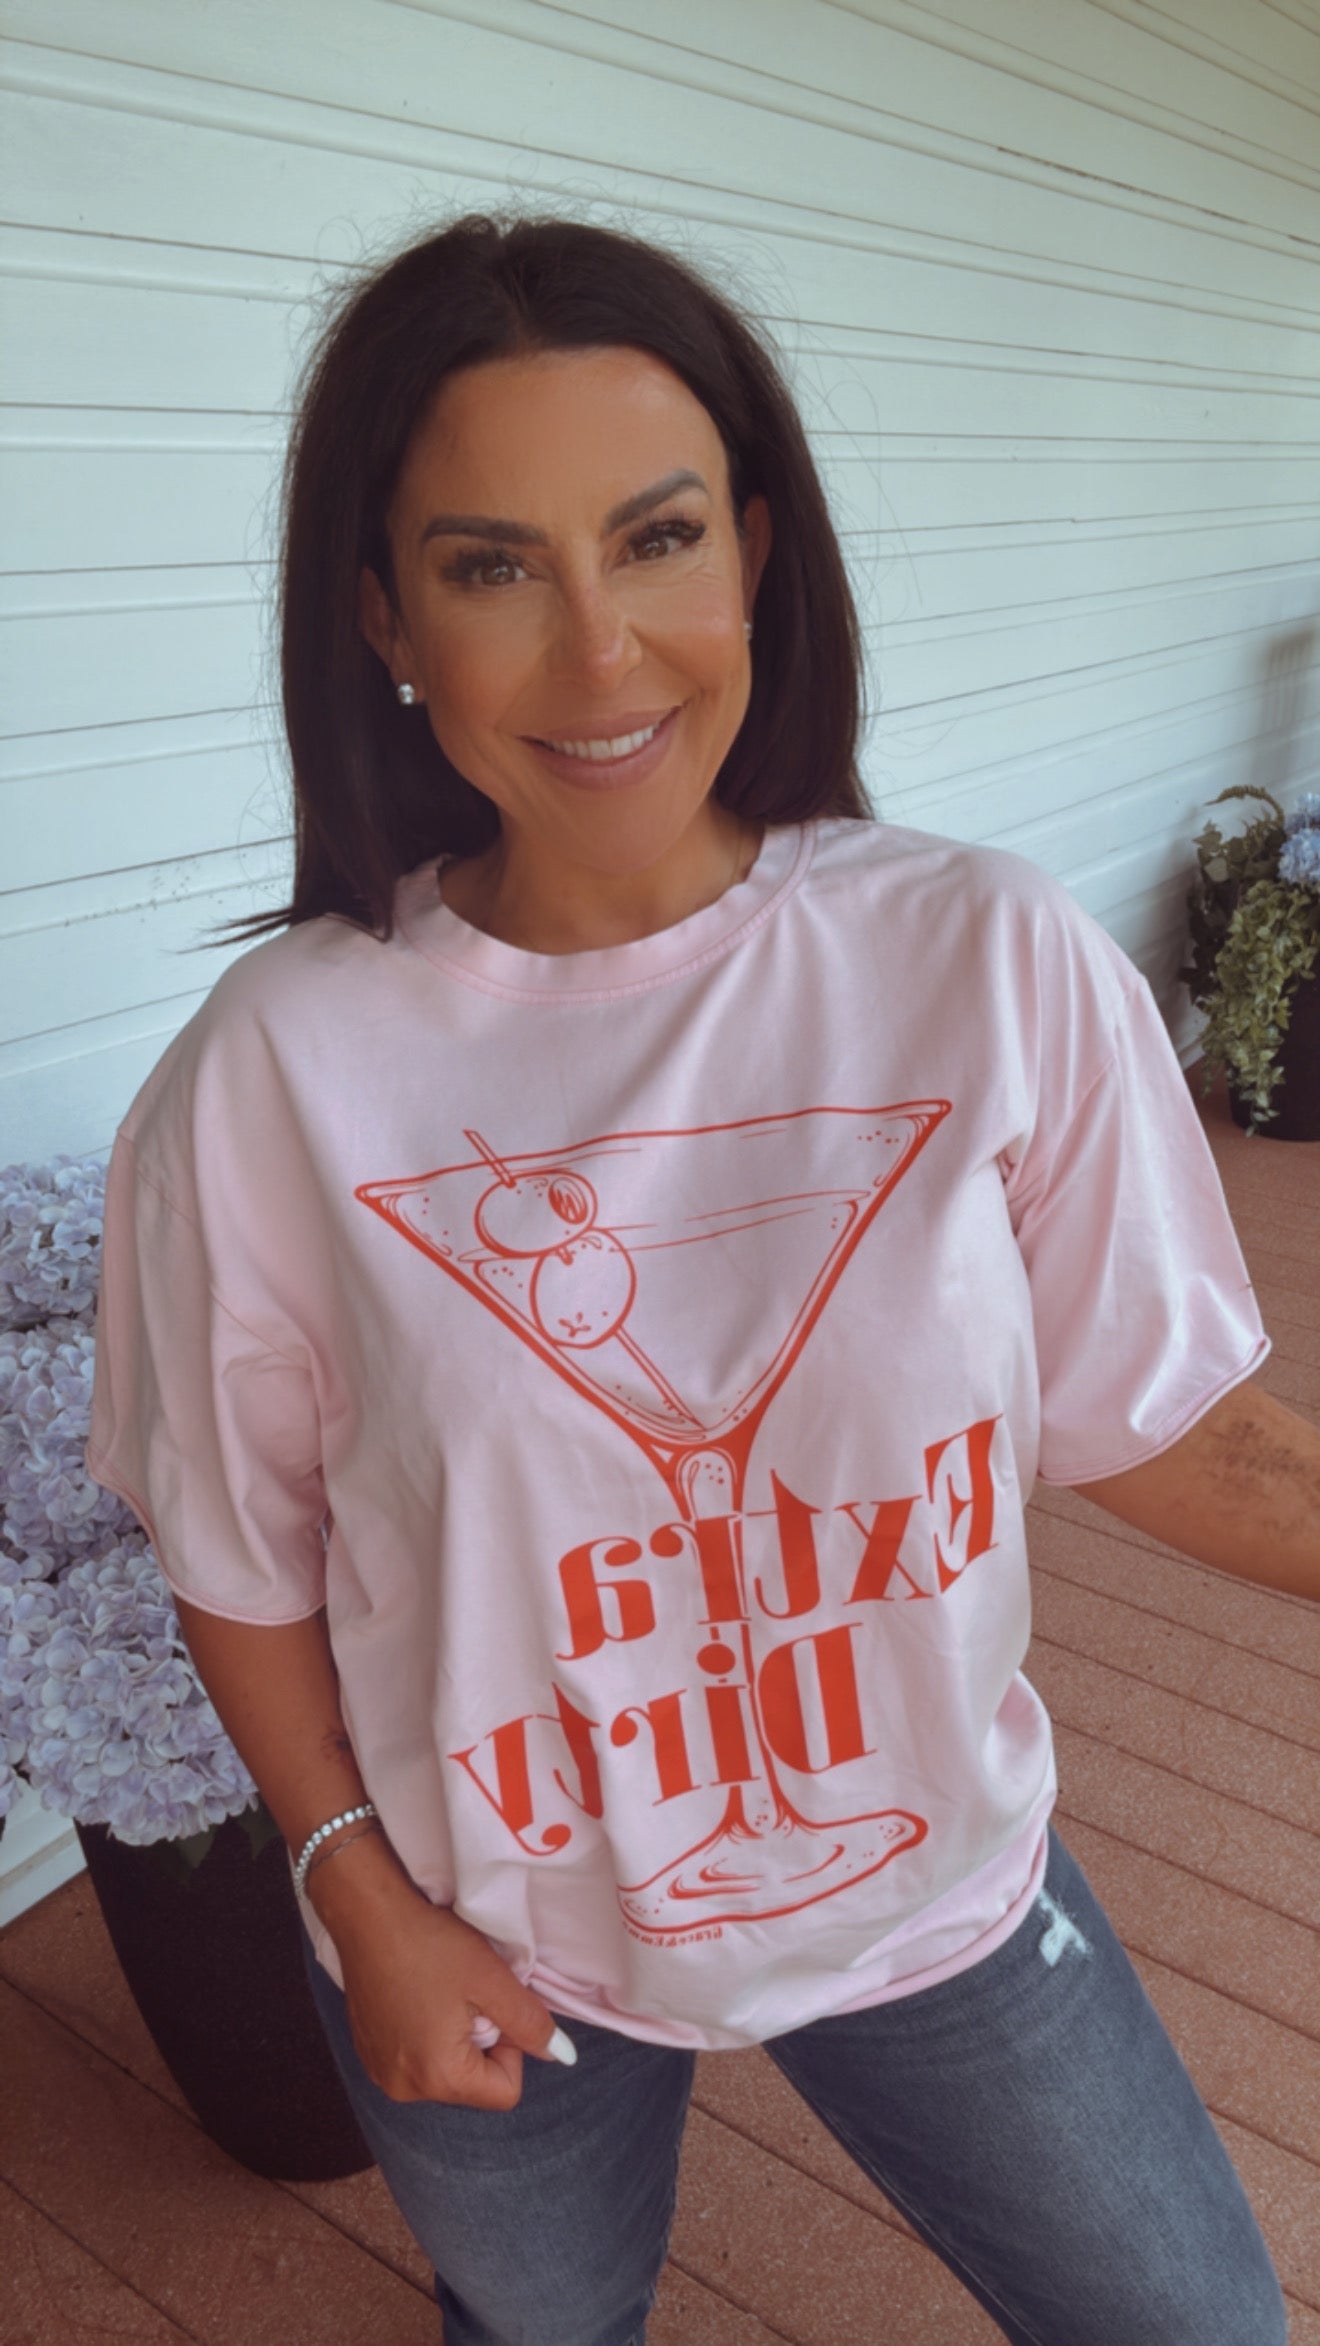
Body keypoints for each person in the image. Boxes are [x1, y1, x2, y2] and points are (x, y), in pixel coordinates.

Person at [85, 214, 1314, 2346]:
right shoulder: (273, 1073)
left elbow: (1175, 1425)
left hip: (932, 1880)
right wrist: (352, 1886)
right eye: (493, 567)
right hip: (484, 1925)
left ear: (751, 550)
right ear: (383, 617)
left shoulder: (984, 960)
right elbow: (239, 1549)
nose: (601, 652)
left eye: (655, 539)